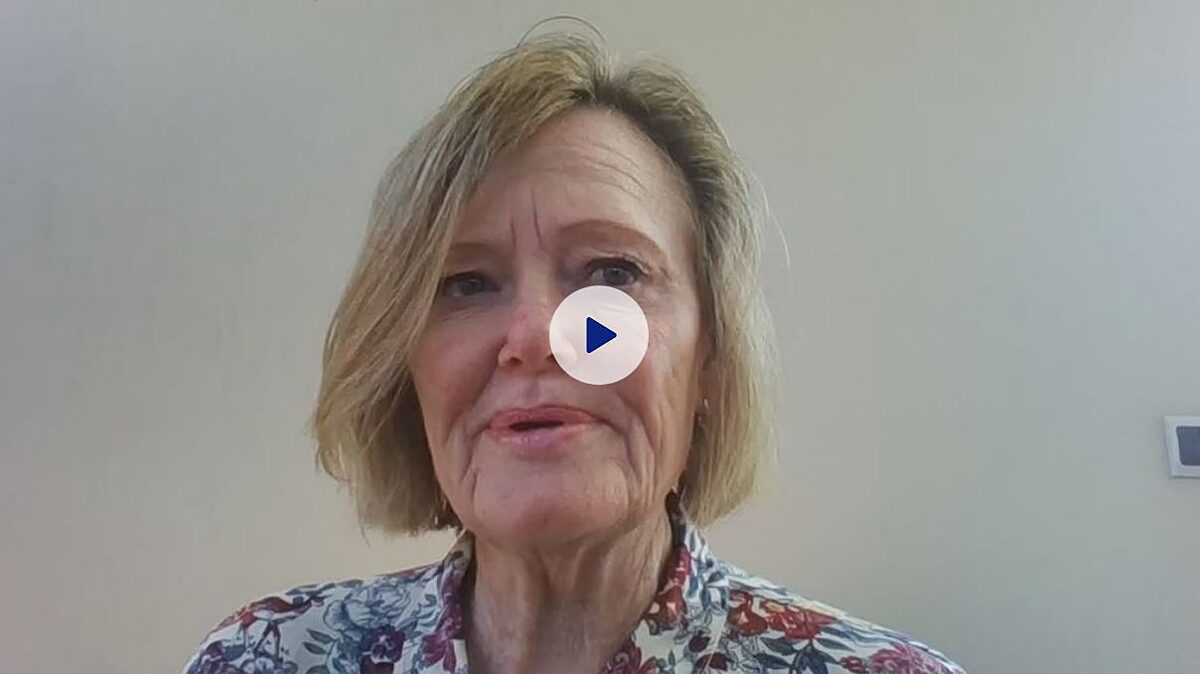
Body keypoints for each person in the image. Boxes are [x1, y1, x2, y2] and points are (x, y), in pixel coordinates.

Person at [183, 32, 966, 674]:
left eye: (612, 274)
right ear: (403, 366)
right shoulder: (265, 658)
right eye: (466, 284)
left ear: (710, 359)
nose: (535, 338)